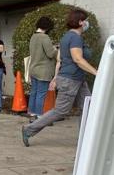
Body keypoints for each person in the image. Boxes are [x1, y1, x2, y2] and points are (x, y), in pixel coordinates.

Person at [22, 9, 96, 145]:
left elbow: (60, 60)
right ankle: (29, 129)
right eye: (85, 20)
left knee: (88, 107)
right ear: (80, 22)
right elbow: (78, 59)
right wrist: (97, 72)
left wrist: (56, 77)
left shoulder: (67, 37)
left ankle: (86, 140)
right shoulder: (74, 38)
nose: (87, 23)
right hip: (70, 80)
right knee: (60, 111)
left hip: (77, 79)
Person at [27, 16, 57, 119]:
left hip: (33, 69)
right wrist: (56, 48)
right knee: (41, 94)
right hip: (43, 71)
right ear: (47, 27)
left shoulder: (33, 37)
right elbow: (50, 54)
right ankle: (39, 116)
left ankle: (32, 113)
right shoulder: (45, 37)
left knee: (34, 92)